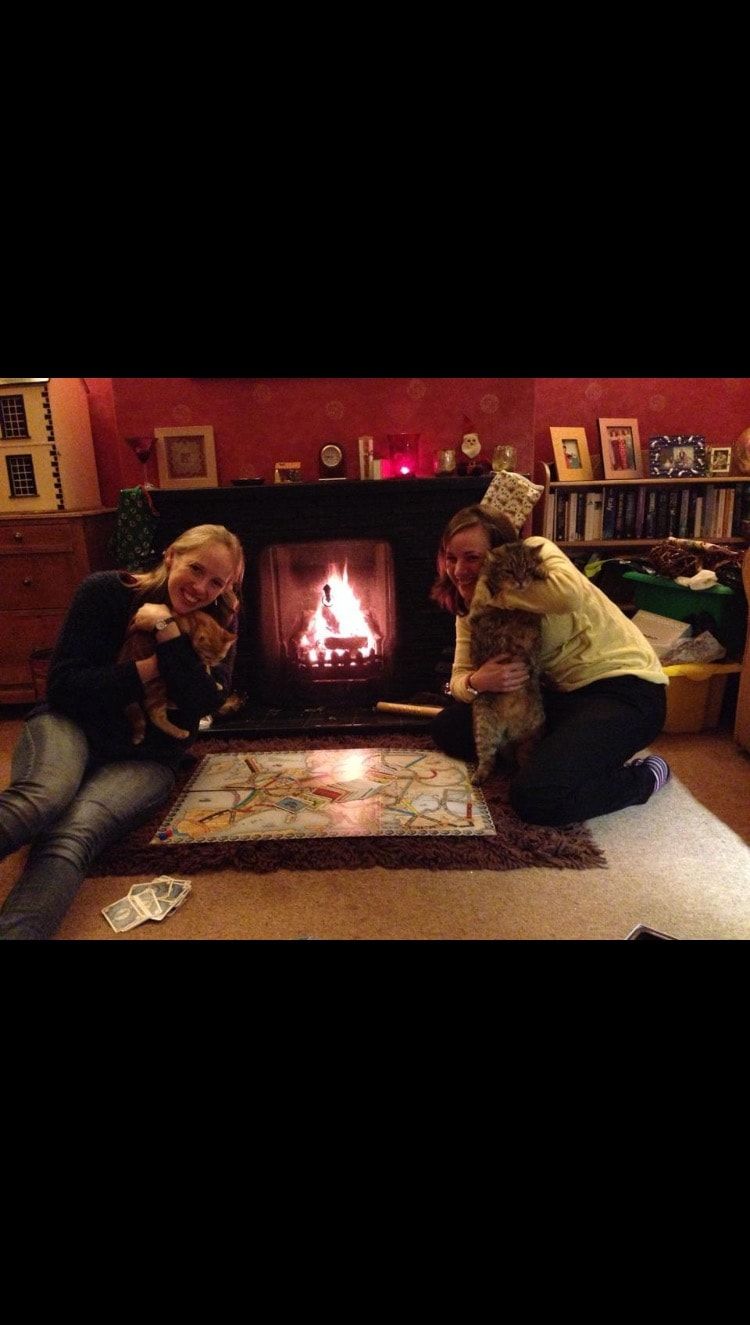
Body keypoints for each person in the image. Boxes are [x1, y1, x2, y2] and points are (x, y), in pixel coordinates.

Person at [0, 523, 245, 940]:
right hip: (71, 722)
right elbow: (64, 687)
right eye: (196, 569)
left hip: (148, 754)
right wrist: (150, 668)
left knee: (73, 833)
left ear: (226, 588)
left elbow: (202, 702)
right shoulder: (107, 592)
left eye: (216, 582)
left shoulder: (218, 623)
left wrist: (167, 629)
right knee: (43, 799)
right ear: (171, 556)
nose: (201, 588)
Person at [429, 479, 671, 827]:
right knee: (448, 727)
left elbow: (569, 596)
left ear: (499, 554)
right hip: (558, 698)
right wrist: (477, 681)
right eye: (450, 558)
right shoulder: (467, 607)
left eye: (472, 558)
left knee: (536, 798)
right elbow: (458, 679)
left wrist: (490, 593)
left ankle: (646, 776)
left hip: (624, 690)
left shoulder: (536, 551)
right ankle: (568, 757)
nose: (457, 571)